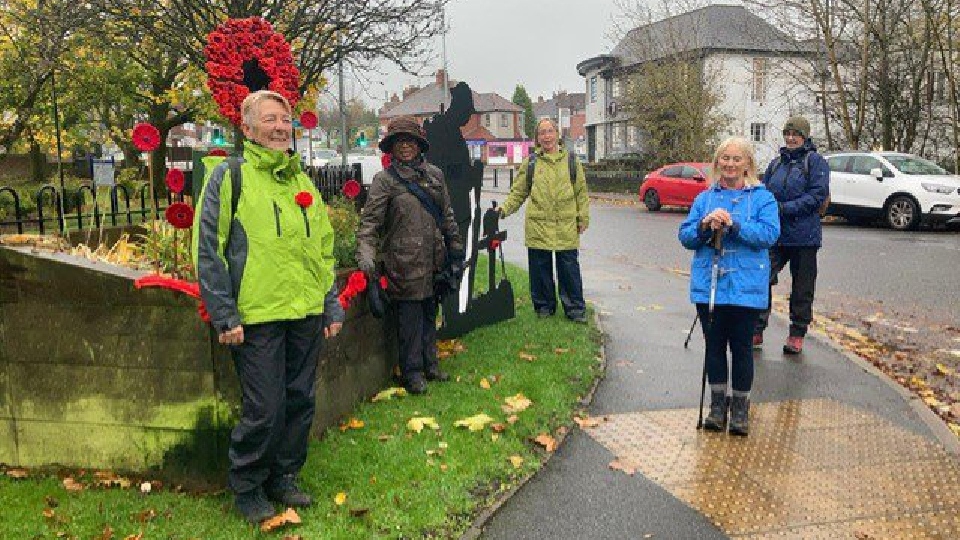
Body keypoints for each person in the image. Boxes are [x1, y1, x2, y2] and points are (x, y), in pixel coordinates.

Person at [194, 90, 344, 524]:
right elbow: (208, 250)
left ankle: (284, 476)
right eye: (271, 119)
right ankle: (247, 485)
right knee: (265, 407)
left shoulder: (301, 181)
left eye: (285, 119)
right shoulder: (229, 177)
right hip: (256, 317)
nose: (281, 127)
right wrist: (224, 313)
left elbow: (322, 249)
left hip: (303, 313)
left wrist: (329, 304)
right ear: (247, 128)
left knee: (300, 401)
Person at [679, 137, 780, 436]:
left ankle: (740, 409)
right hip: (710, 284)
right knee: (714, 346)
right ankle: (717, 406)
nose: (730, 164)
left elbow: (769, 234)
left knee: (742, 348)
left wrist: (734, 224)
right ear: (717, 162)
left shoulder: (763, 198)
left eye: (737, 159)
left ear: (747, 163)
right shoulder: (705, 198)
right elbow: (685, 236)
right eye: (725, 158)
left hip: (746, 287)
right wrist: (703, 226)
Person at [356, 116, 464, 395]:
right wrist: (365, 257)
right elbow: (370, 225)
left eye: (410, 141)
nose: (405, 146)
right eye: (399, 141)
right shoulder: (384, 181)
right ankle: (411, 372)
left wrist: (455, 248)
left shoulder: (435, 176)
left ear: (419, 145)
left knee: (430, 312)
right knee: (409, 320)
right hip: (403, 264)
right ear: (391, 147)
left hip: (434, 259)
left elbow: (447, 215)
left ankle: (431, 363)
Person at [500, 118, 590, 322]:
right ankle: (544, 308)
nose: (547, 136)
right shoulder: (531, 163)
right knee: (540, 269)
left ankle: (575, 309)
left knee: (568, 269)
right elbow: (518, 193)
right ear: (537, 138)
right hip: (538, 224)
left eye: (550, 131)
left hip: (565, 224)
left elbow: (581, 192)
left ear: (557, 134)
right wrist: (503, 210)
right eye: (542, 133)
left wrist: (582, 217)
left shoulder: (571, 161)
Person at [754, 116, 830, 354]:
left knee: (802, 287)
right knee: (761, 278)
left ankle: (797, 333)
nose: (790, 138)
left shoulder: (815, 162)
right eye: (787, 133)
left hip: (804, 236)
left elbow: (817, 196)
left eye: (795, 134)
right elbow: (764, 191)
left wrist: (785, 208)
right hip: (775, 234)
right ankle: (756, 329)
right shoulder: (776, 163)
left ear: (805, 136)